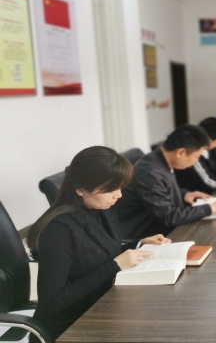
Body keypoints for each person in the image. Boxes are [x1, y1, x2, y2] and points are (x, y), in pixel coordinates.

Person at [26, 146, 171, 340]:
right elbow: (52, 301)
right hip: (72, 326)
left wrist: (137, 243)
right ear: (80, 189)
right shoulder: (58, 231)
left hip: (103, 304)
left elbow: (97, 250)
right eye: (111, 189)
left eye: (120, 187)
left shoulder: (99, 207)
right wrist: (115, 265)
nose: (118, 195)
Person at [115, 125, 216, 239]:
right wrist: (211, 208)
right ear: (180, 153)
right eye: (196, 156)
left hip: (160, 226)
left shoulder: (159, 159)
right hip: (146, 233)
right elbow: (168, 216)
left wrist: (184, 194)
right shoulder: (150, 172)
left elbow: (160, 190)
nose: (196, 161)